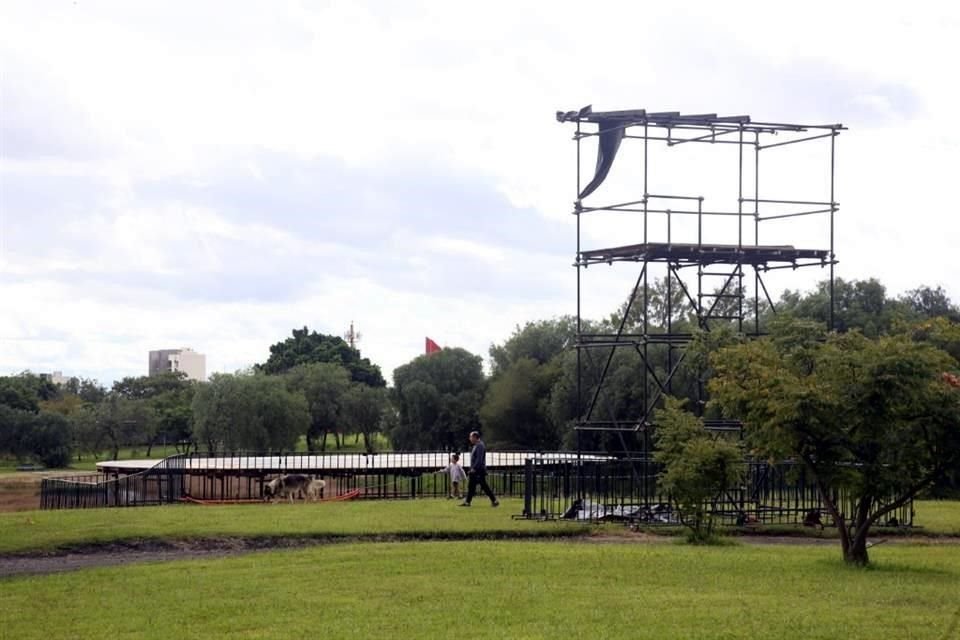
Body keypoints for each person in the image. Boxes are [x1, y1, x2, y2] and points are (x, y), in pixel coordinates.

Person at [459, 431, 499, 507]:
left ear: (475, 437)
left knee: (483, 486)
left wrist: (474, 468)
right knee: (472, 486)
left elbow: (479, 459)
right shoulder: (476, 445)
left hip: (478, 470)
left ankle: (494, 500)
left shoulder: (480, 446)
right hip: (476, 470)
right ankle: (468, 502)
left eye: (470, 437)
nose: (470, 439)